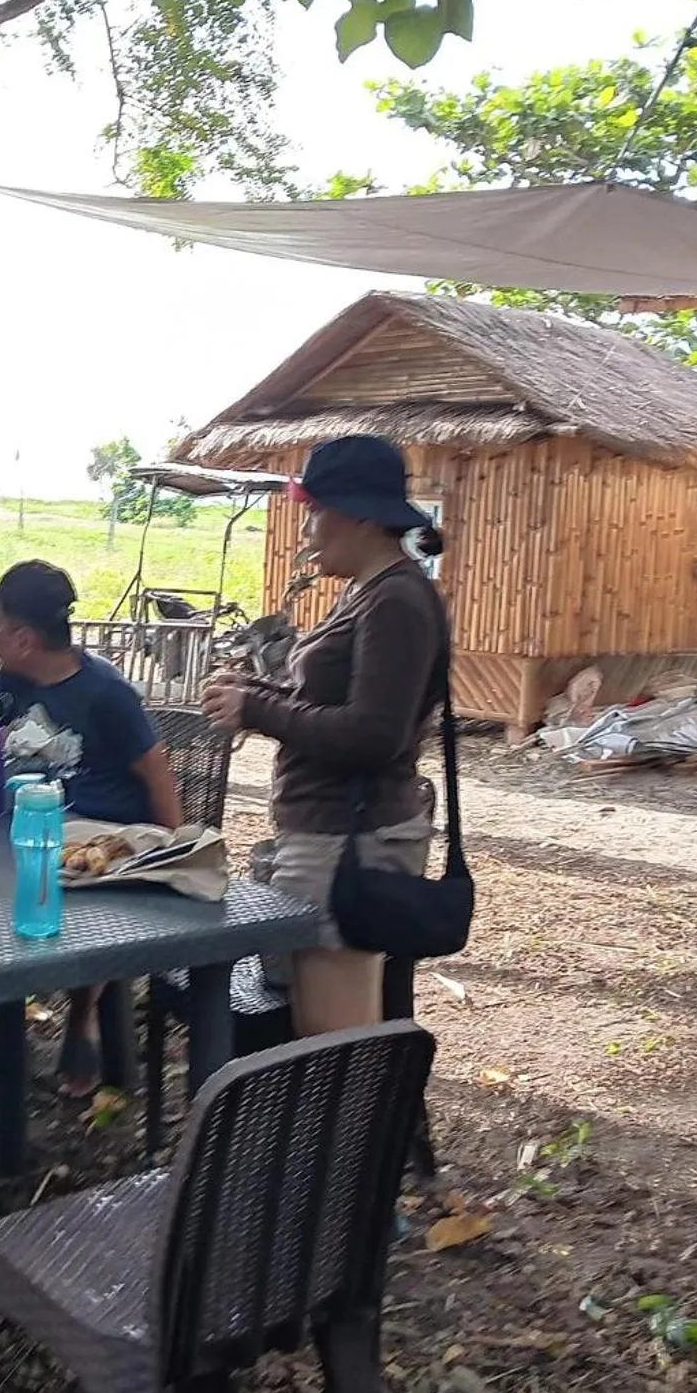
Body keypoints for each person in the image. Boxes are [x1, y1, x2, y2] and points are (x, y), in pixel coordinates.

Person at [201, 435, 449, 1036]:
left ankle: (346, 1134)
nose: (307, 528)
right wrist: (253, 695)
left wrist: (258, 712)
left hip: (349, 843)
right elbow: (331, 704)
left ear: (361, 515)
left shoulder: (396, 600)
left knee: (329, 1044)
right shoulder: (366, 590)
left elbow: (372, 734)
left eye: (315, 510)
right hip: (328, 835)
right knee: (323, 1032)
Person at [0, 560, 183, 1096]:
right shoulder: (8, 682)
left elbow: (156, 772)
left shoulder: (105, 693)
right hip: (19, 827)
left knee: (71, 898)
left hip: (98, 838)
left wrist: (176, 853)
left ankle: (81, 1015)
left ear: (24, 638)